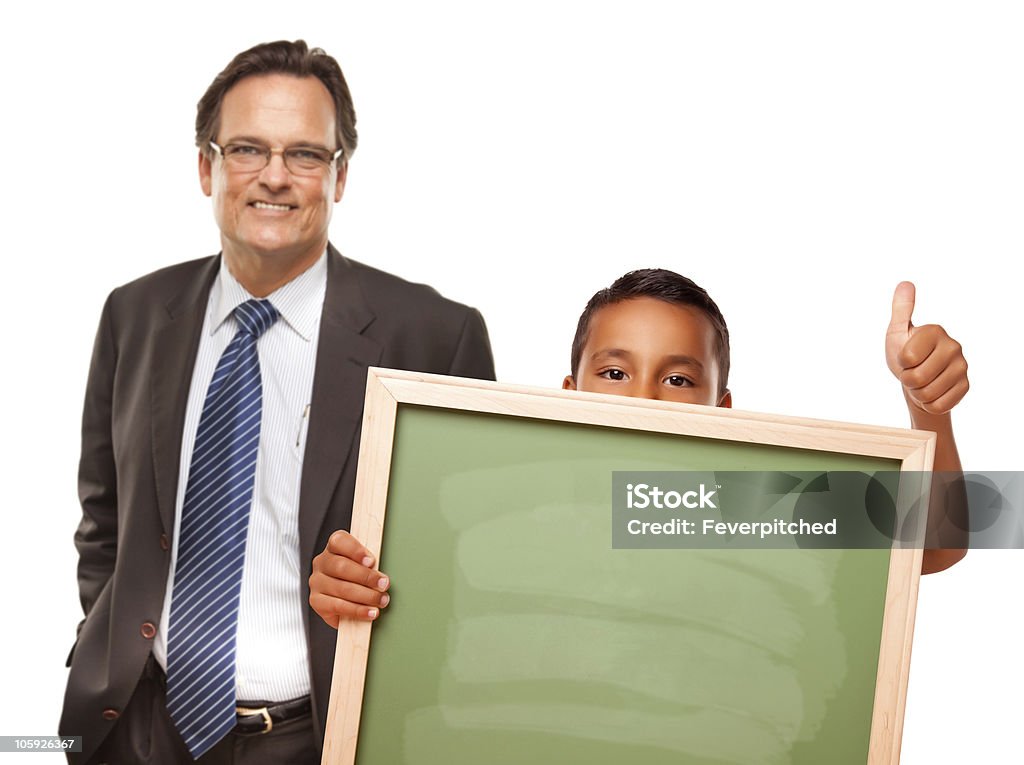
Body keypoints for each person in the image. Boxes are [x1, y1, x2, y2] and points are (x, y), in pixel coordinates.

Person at [60, 40, 495, 765]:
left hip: (315, 737)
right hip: (134, 728)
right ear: (207, 166)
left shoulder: (435, 337)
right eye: (247, 149)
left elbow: (468, 569)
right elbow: (103, 517)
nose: (273, 177)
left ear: (340, 175)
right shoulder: (135, 312)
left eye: (304, 154)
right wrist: (101, 651)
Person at [309, 268, 968, 632]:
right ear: (570, 391)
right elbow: (391, 607)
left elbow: (943, 532)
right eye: (616, 372)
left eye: (679, 379)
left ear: (723, 407)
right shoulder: (491, 512)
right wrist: (344, 590)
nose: (645, 399)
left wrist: (927, 406)